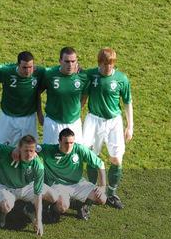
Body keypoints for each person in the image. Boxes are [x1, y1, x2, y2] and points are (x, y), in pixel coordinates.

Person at [82, 48, 133, 209]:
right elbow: (83, 96)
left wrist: (130, 125)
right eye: (104, 64)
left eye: (110, 64)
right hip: (93, 120)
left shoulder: (121, 79)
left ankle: (111, 193)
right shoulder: (91, 75)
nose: (107, 68)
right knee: (91, 156)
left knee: (116, 159)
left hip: (114, 122)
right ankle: (90, 192)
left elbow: (127, 101)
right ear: (99, 63)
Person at [37, 128, 107, 221]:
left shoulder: (79, 149)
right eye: (66, 143)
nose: (69, 146)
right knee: (62, 206)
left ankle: (80, 205)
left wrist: (102, 185)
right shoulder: (49, 150)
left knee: (102, 198)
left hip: (77, 183)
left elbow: (100, 164)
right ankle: (52, 210)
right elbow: (32, 147)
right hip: (57, 185)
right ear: (59, 141)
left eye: (71, 143)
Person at [0, 135, 56, 236]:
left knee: (53, 196)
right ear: (19, 148)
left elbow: (38, 194)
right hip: (5, 186)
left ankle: (29, 209)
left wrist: (39, 220)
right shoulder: (7, 151)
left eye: (32, 150)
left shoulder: (38, 166)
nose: (29, 154)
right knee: (6, 206)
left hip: (26, 186)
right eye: (26, 150)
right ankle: (2, 215)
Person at [0, 51, 45, 145]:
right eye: (24, 67)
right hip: (8, 117)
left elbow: (55, 73)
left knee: (29, 148)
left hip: (29, 118)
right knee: (5, 148)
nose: (27, 70)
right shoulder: (7, 72)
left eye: (30, 67)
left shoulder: (39, 72)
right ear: (17, 65)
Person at [38, 47, 89, 144]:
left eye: (73, 61)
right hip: (53, 123)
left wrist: (77, 109)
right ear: (60, 61)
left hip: (74, 123)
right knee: (51, 156)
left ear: (77, 61)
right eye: (67, 61)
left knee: (75, 155)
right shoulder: (50, 74)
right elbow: (37, 93)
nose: (70, 65)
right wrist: (39, 114)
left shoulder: (83, 76)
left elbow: (85, 95)